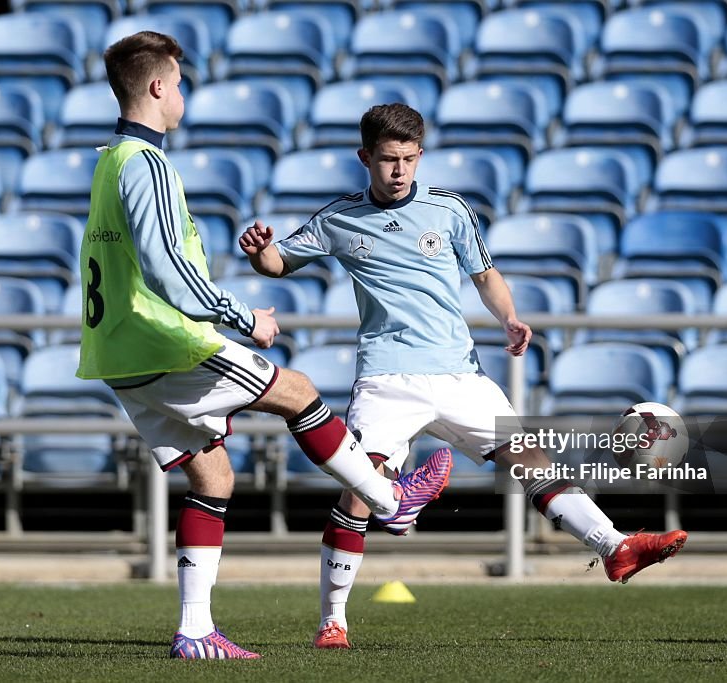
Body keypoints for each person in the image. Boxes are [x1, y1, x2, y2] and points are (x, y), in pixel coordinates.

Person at [240, 103, 688, 650]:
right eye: (387, 160)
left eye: (408, 158)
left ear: (421, 155)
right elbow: (279, 264)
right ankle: (333, 620)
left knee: (530, 459)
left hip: (459, 371)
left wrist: (509, 318)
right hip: (388, 374)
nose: (399, 170)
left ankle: (613, 546)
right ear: (365, 158)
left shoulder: (450, 210)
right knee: (359, 487)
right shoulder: (339, 219)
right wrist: (263, 253)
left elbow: (485, 274)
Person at [77, 34, 452, 660]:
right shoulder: (145, 162)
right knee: (299, 392)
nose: (185, 96)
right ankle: (389, 500)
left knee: (214, 476)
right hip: (165, 344)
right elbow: (166, 268)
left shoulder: (110, 159)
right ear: (159, 87)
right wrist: (243, 316)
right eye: (181, 83)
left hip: (118, 354)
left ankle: (195, 631)